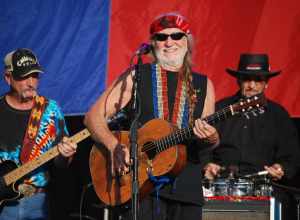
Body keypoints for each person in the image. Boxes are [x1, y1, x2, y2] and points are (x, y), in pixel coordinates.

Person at [84, 13, 219, 220]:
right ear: (153, 43)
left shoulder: (204, 84)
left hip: (186, 189)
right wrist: (114, 146)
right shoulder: (136, 76)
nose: (169, 42)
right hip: (141, 188)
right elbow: (93, 117)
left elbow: (206, 144)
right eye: (161, 37)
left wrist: (212, 138)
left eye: (176, 36)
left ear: (187, 41)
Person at [203, 53, 300, 220]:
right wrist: (207, 165)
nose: (252, 86)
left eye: (258, 80)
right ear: (238, 81)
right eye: (247, 80)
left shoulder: (278, 115)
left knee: (285, 203)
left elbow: (291, 156)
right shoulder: (220, 109)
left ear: (266, 84)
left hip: (263, 185)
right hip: (219, 184)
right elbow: (201, 146)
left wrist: (280, 168)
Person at [0, 48, 77, 219]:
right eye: (23, 77)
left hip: (37, 203)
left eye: (34, 76)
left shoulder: (51, 110)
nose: (31, 82)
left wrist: (66, 155)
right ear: (8, 78)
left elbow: (62, 164)